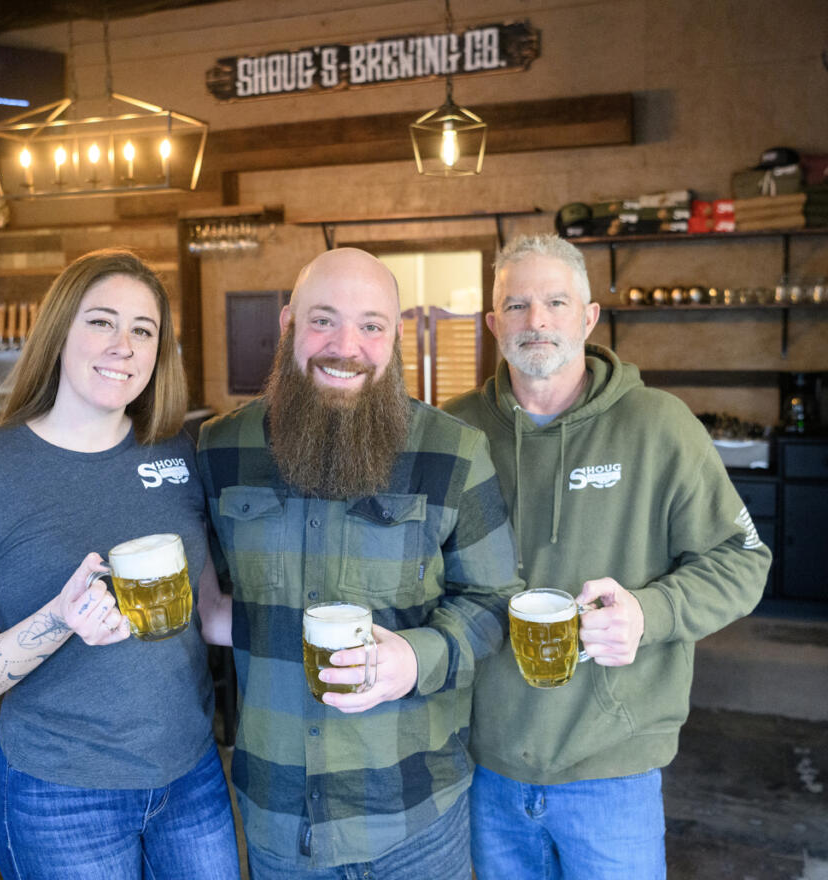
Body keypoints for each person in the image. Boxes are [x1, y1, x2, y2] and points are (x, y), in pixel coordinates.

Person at [442, 233, 772, 880]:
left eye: (557, 302)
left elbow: (743, 557)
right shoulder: (454, 434)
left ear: (589, 317)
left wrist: (649, 613)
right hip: (483, 765)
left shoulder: (659, 426)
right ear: (491, 323)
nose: (536, 321)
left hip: (612, 769)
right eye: (516, 305)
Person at [0, 248, 240, 880]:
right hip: (61, 797)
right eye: (101, 321)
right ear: (60, 330)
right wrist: (60, 619)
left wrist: (335, 623)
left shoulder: (175, 452)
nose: (124, 345)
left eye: (143, 330)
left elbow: (209, 615)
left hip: (192, 778)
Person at [196, 247, 521, 878]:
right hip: (275, 818)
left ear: (394, 336)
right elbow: (210, 606)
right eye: (324, 320)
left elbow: (494, 602)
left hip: (415, 817)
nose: (347, 345)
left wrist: (414, 658)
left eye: (371, 325)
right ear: (288, 323)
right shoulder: (219, 447)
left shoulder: (454, 451)